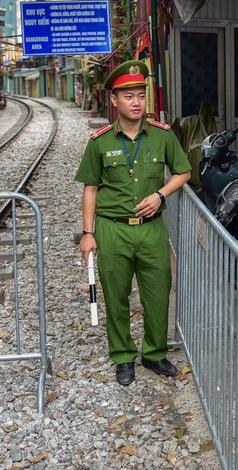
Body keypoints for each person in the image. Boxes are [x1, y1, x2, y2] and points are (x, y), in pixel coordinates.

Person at [75, 60, 191, 387]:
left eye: (141, 95)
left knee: (158, 294)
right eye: (129, 96)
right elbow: (91, 189)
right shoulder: (99, 142)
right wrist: (88, 234)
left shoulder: (162, 136)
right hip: (112, 229)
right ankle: (123, 356)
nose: (137, 102)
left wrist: (160, 195)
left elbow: (183, 172)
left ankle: (154, 353)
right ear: (114, 100)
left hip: (152, 229)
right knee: (116, 295)